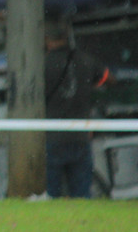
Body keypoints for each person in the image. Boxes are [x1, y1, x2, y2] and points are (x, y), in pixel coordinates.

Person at [44, 18, 114, 199]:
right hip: (81, 135)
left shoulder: (42, 64)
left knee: (52, 194)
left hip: (53, 136)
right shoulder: (85, 59)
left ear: (46, 39)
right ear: (68, 36)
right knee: (82, 194)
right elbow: (109, 79)